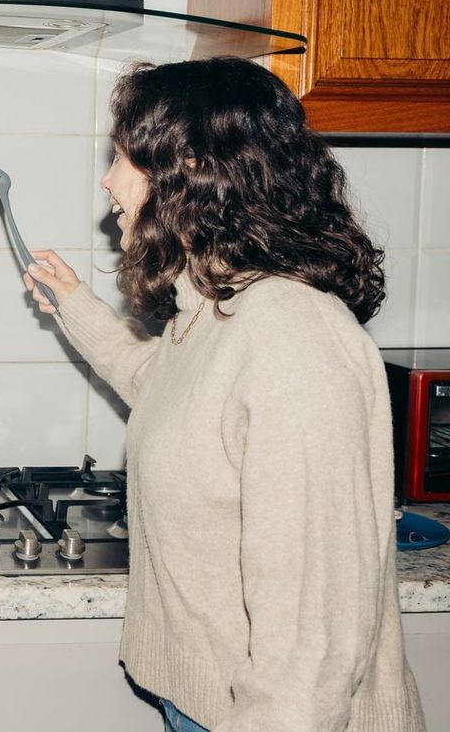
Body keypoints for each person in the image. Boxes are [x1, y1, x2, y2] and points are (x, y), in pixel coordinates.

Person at [23, 57, 425, 731]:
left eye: (124, 158)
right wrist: (73, 305)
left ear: (188, 173)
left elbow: (313, 641)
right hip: (208, 707)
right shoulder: (216, 312)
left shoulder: (291, 338)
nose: (108, 180)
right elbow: (165, 391)